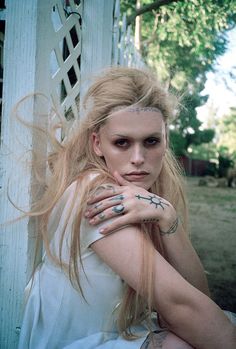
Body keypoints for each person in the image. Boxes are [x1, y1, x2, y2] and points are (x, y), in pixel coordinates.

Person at [17, 66, 236, 349]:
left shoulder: (145, 196)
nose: (138, 158)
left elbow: (198, 298)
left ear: (165, 138)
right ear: (97, 143)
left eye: (151, 141)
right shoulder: (96, 195)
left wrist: (168, 216)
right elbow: (183, 307)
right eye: (122, 142)